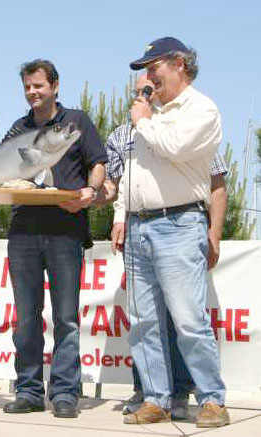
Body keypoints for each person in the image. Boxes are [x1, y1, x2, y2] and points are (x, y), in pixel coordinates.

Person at [112, 37, 229, 428]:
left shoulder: (201, 109)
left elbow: (175, 148)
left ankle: (212, 399)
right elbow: (131, 174)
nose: (148, 77)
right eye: (144, 71)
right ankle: (157, 397)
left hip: (179, 224)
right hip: (138, 224)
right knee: (143, 321)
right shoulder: (147, 114)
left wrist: (144, 119)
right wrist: (120, 213)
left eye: (152, 67)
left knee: (188, 319)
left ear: (179, 64)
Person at [2, 59, 107, 418]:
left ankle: (64, 393)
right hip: (23, 233)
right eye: (28, 87)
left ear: (55, 86)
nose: (33, 92)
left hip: (66, 233)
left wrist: (91, 192)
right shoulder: (18, 128)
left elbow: (98, 162)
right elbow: (2, 170)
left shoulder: (77, 121)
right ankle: (29, 391)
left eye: (39, 86)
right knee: (26, 318)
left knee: (66, 318)